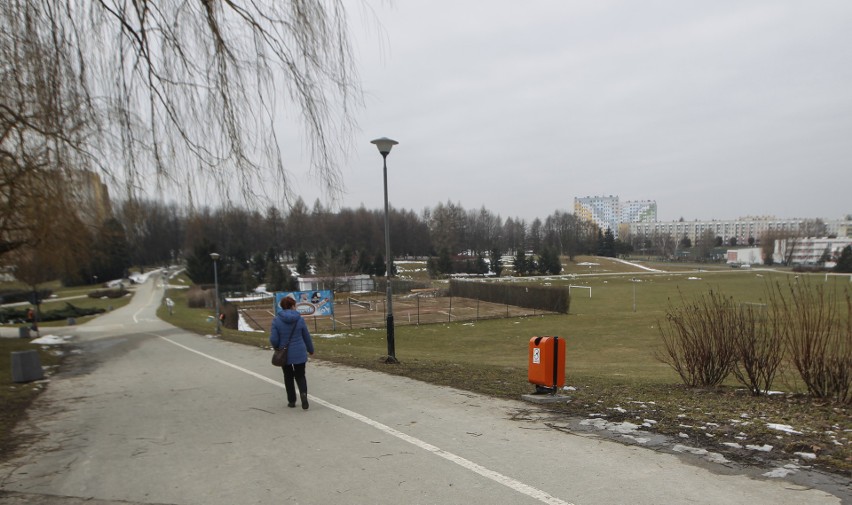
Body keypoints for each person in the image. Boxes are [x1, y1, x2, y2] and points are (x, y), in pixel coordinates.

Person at [270, 296, 315, 409]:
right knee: (300, 375)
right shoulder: (299, 319)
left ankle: (292, 400)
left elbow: (274, 339)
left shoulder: (276, 320)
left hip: (285, 354)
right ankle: (303, 395)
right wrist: (310, 349)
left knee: (288, 376)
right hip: (299, 351)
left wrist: (277, 347)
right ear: (292, 306)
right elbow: (306, 336)